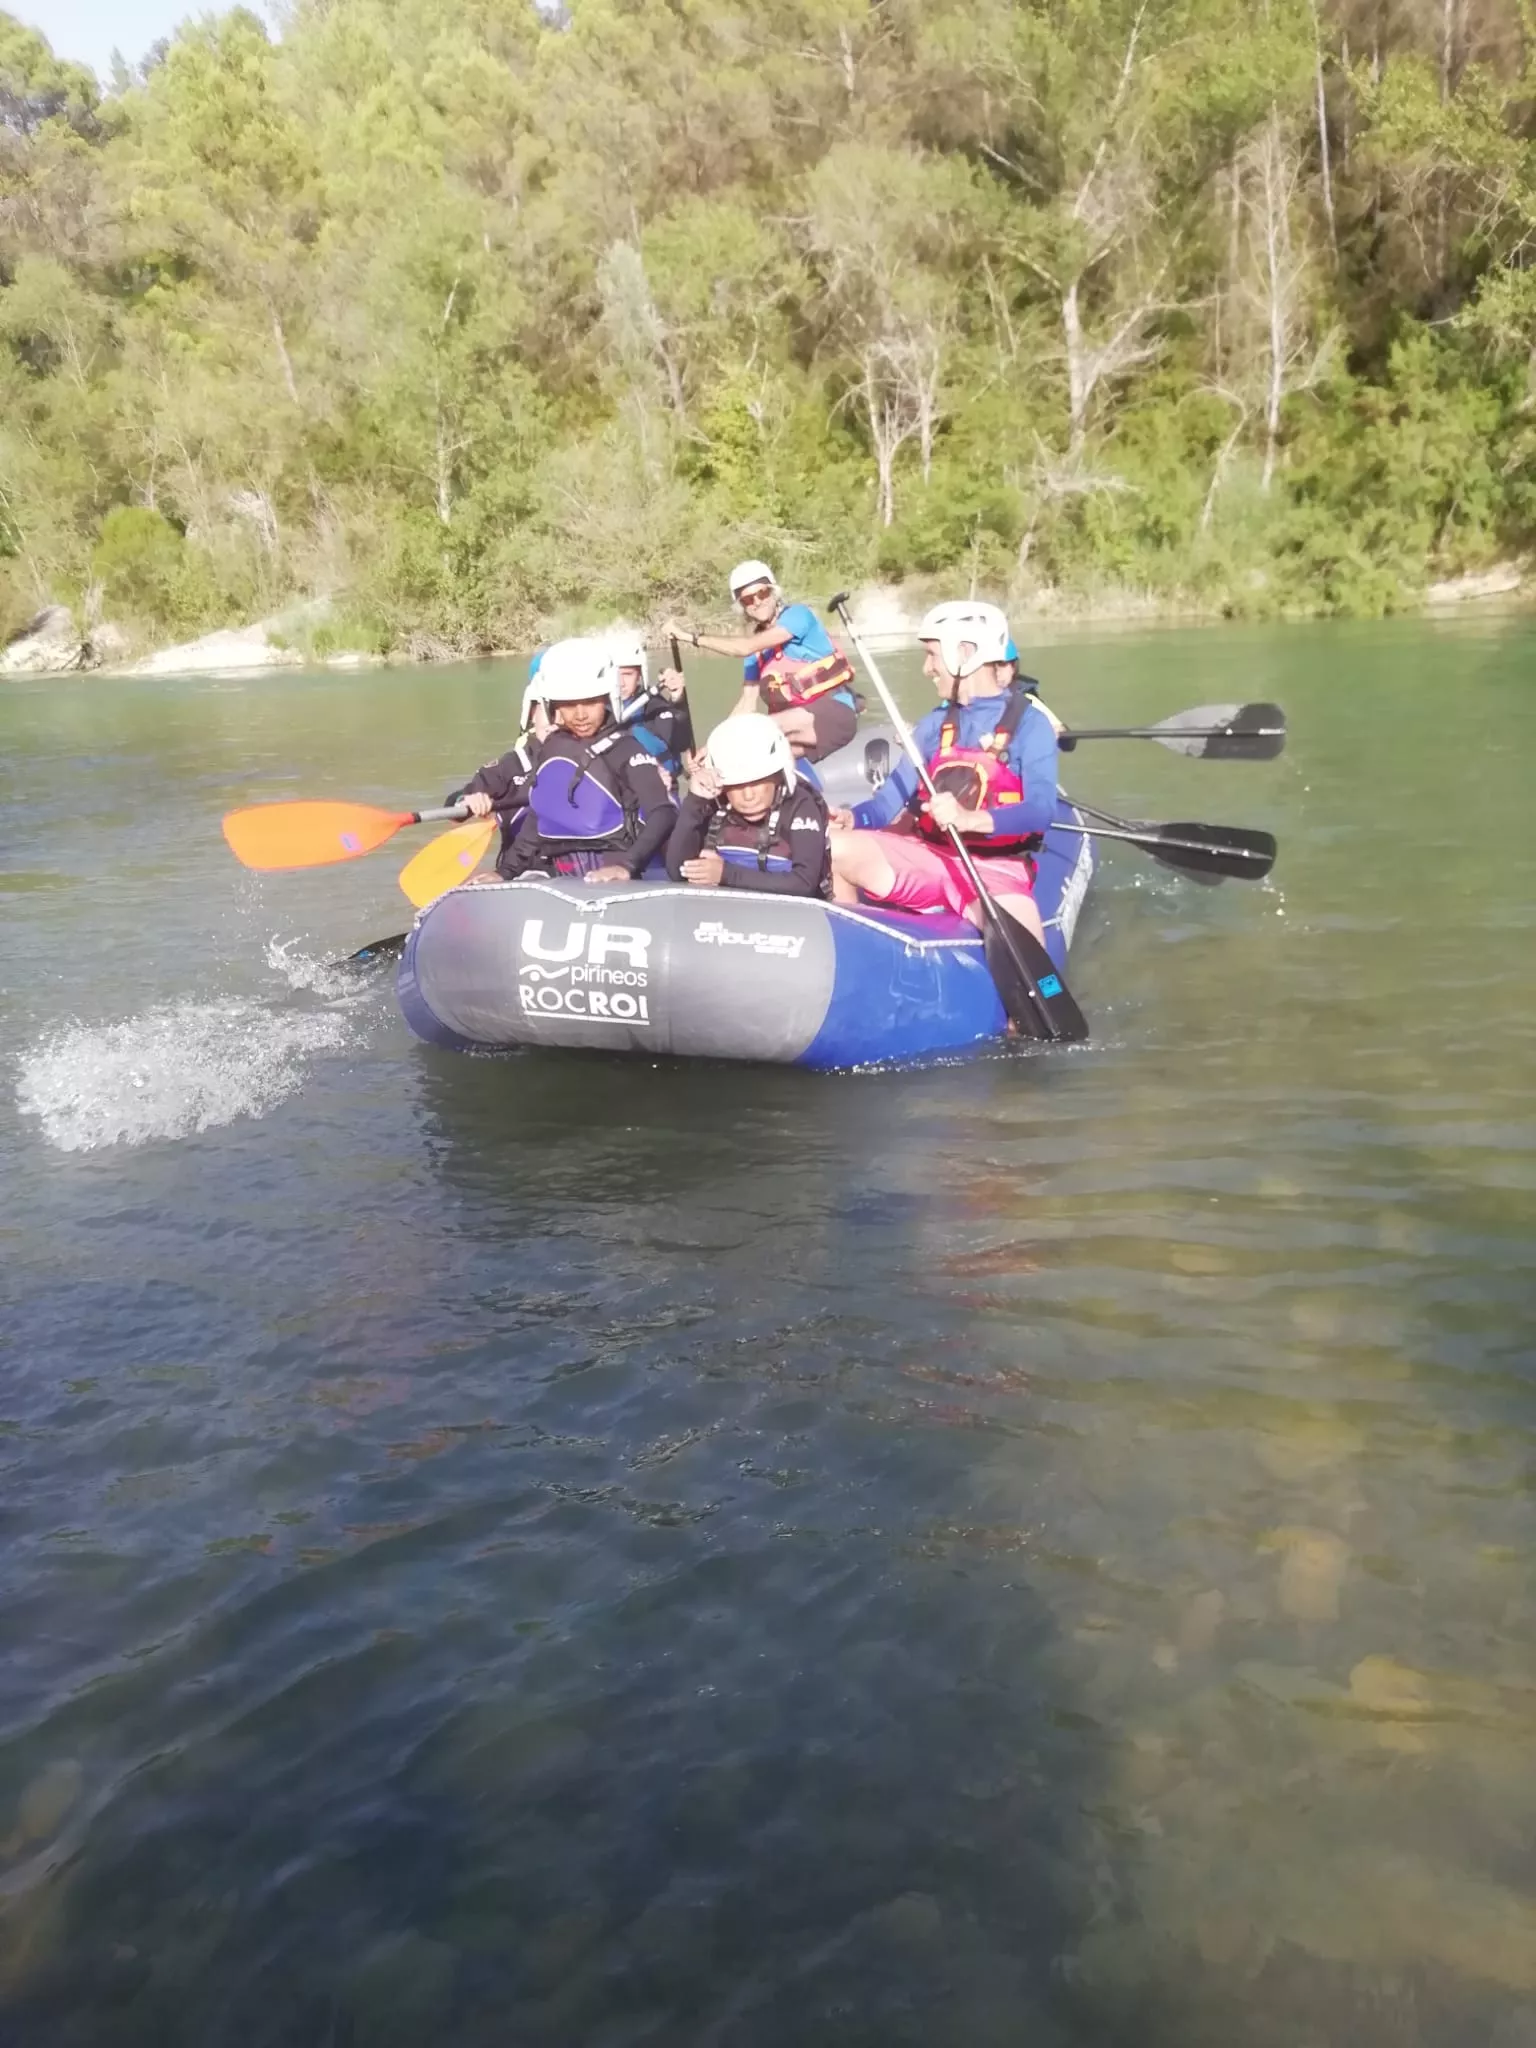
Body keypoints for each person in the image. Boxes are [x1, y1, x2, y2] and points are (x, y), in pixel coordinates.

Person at [827, 603, 1058, 946]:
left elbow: (1042, 810)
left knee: (1025, 945)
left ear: (964, 652)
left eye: (932, 655)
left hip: (995, 870)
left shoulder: (1031, 724)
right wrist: (853, 818)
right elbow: (888, 801)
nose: (927, 668)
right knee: (833, 847)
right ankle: (853, 949)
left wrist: (969, 818)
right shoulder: (933, 724)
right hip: (929, 857)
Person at [486, 636, 677, 885]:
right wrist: (504, 872)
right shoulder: (552, 749)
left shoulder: (626, 748)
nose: (580, 715)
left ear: (607, 697)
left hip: (616, 873)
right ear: (553, 705)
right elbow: (540, 816)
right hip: (562, 876)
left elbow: (663, 812)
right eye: (568, 704)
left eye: (590, 702)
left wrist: (627, 866)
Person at [664, 561, 859, 763]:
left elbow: (745, 647)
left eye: (762, 593)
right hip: (795, 726)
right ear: (742, 607)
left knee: (756, 730)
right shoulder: (755, 654)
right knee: (737, 760)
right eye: (748, 599)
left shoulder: (798, 615)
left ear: (773, 593)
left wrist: (689, 637)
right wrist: (712, 746)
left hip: (834, 713)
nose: (757, 602)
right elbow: (746, 704)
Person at [666, 713, 831, 897]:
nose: (748, 796)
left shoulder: (799, 805)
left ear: (779, 775)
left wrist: (726, 875)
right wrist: (694, 801)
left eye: (757, 782)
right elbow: (678, 871)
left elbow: (804, 883)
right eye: (736, 785)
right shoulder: (716, 803)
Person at [609, 633, 694, 780]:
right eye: (615, 675)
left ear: (640, 675)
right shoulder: (595, 708)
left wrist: (677, 699)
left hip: (660, 784)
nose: (620, 683)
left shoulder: (653, 705)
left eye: (627, 674)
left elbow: (681, 742)